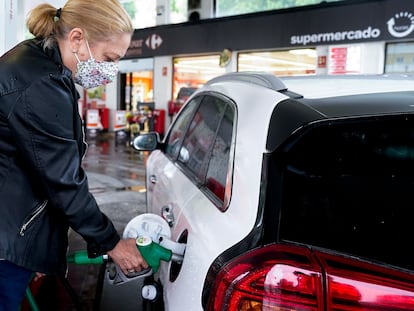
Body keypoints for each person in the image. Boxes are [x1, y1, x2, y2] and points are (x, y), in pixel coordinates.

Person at [0, 1, 147, 309]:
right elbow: (62, 180)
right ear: (78, 39)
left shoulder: (42, 66)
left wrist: (41, 248)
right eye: (109, 58)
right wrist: (111, 243)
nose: (110, 71)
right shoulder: (39, 83)